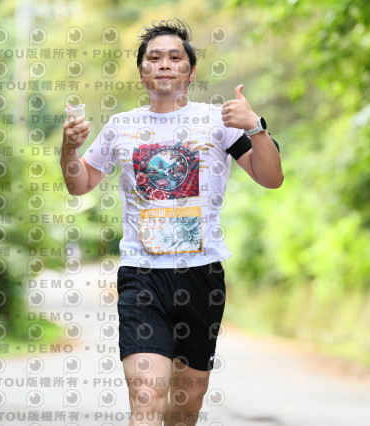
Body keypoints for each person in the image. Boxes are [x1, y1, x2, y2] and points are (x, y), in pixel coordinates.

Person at [60, 19, 283, 426]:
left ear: (190, 72)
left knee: (184, 409)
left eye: (175, 57)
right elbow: (79, 184)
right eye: (154, 58)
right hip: (141, 277)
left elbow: (271, 178)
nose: (164, 64)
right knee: (146, 398)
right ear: (142, 72)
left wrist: (255, 126)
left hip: (202, 276)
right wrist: (68, 149)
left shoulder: (219, 121)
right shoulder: (120, 127)